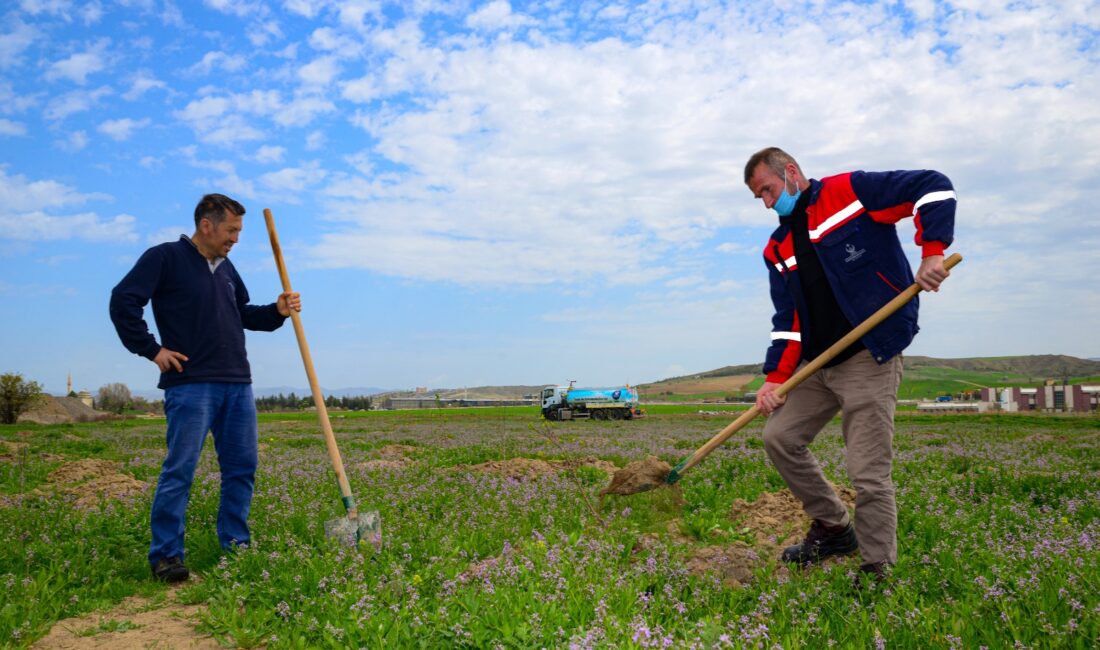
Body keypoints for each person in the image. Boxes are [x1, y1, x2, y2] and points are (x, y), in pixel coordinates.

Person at [743, 147, 955, 580]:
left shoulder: (850, 192)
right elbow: (787, 321)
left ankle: (878, 566)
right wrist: (774, 379)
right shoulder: (777, 247)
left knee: (868, 472)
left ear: (791, 172)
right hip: (816, 366)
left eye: (768, 190)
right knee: (780, 438)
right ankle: (834, 526)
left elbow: (932, 186)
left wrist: (932, 251)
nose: (767, 203)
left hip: (868, 356)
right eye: (759, 198)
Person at [110, 193, 301, 583]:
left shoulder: (229, 270)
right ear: (206, 225)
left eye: (239, 231)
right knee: (180, 471)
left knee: (242, 469)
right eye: (231, 230)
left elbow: (245, 315)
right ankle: (166, 556)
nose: (236, 239)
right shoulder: (164, 258)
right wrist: (152, 350)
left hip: (237, 383)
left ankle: (235, 545)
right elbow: (123, 301)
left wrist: (277, 311)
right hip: (191, 385)